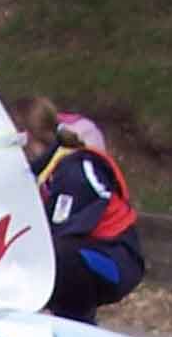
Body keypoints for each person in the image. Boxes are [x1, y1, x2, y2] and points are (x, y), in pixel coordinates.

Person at [14, 96, 145, 324]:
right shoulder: (41, 172)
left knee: (55, 255)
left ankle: (77, 328)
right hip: (83, 251)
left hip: (115, 259)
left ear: (27, 137)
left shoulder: (75, 170)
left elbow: (60, 232)